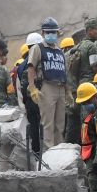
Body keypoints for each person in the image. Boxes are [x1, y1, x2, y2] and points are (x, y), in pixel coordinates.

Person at [27, 18, 67, 150]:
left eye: (54, 32)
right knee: (47, 124)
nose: (51, 35)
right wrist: (32, 88)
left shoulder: (59, 50)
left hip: (60, 87)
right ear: (43, 33)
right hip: (47, 86)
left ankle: (60, 151)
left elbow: (64, 71)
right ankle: (48, 153)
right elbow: (31, 67)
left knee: (60, 125)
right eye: (48, 32)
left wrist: (68, 91)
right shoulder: (38, 48)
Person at [67, 19, 97, 141]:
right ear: (90, 30)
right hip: (90, 86)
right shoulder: (91, 46)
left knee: (77, 116)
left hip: (79, 86)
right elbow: (95, 66)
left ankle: (71, 143)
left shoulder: (79, 46)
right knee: (90, 116)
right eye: (96, 29)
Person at [15, 33, 44, 157]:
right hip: (41, 99)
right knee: (45, 127)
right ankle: (48, 154)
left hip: (29, 102)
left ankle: (36, 154)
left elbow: (18, 87)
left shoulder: (21, 65)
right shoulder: (39, 61)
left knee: (34, 128)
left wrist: (23, 104)